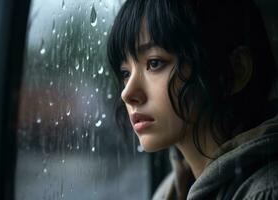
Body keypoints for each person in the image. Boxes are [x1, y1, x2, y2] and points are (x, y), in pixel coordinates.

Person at [107, 0, 278, 199]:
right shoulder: (169, 192)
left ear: (234, 71)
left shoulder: (265, 192)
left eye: (154, 63)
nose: (127, 93)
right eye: (125, 73)